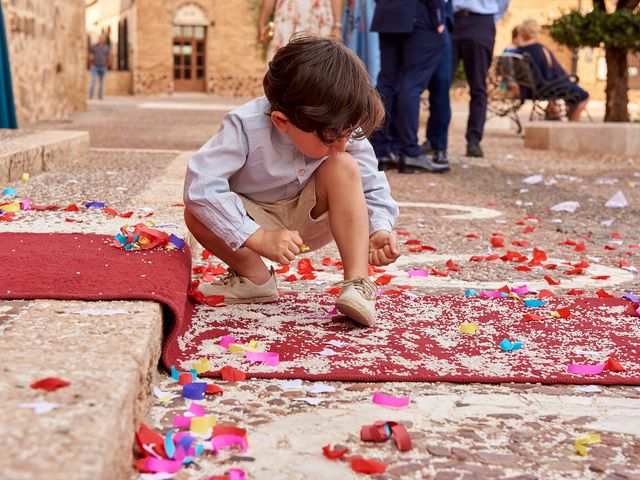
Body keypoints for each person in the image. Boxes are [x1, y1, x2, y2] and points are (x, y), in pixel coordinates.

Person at [183, 35, 400, 328]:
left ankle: (358, 283)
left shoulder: (340, 125)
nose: (342, 144)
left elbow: (371, 183)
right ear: (281, 121)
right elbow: (201, 183)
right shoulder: (244, 125)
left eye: (348, 134)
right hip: (255, 221)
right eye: (330, 139)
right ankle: (254, 279)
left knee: (344, 166)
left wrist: (379, 229)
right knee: (195, 212)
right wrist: (256, 236)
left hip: (312, 218)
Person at [370, 0, 450, 174]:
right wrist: (438, 16)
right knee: (412, 84)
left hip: (387, 13)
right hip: (417, 13)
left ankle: (381, 150)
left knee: (387, 81)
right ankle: (409, 151)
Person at [451, 0, 510, 157]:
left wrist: (489, 17)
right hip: (451, 19)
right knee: (440, 83)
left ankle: (474, 140)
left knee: (478, 86)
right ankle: (435, 140)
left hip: (481, 21)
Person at [516, 19, 589, 122]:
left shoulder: (519, 51)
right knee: (583, 96)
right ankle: (572, 127)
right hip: (546, 89)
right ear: (535, 32)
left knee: (572, 94)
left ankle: (558, 119)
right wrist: (567, 78)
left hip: (532, 90)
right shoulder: (539, 49)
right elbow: (553, 72)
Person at [421, 0, 454, 171]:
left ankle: (439, 146)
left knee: (441, 86)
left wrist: (440, 19)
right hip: (419, 22)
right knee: (406, 87)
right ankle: (402, 146)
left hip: (439, 23)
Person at [258, 0, 344, 61]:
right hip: (288, 17)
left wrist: (337, 25)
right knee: (283, 62)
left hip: (318, 18)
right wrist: (262, 23)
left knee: (319, 62)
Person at [342, 0, 380, 85]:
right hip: (359, 9)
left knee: (371, 48)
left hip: (370, 8)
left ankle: (371, 85)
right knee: (354, 48)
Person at [88, 34, 111, 100]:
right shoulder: (94, 47)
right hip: (95, 66)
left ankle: (100, 96)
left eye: (102, 38)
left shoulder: (107, 47)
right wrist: (91, 64)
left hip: (103, 66)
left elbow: (108, 56)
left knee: (102, 82)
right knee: (93, 80)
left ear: (104, 40)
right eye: (100, 38)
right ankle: (90, 95)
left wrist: (107, 65)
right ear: (98, 39)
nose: (101, 39)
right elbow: (90, 55)